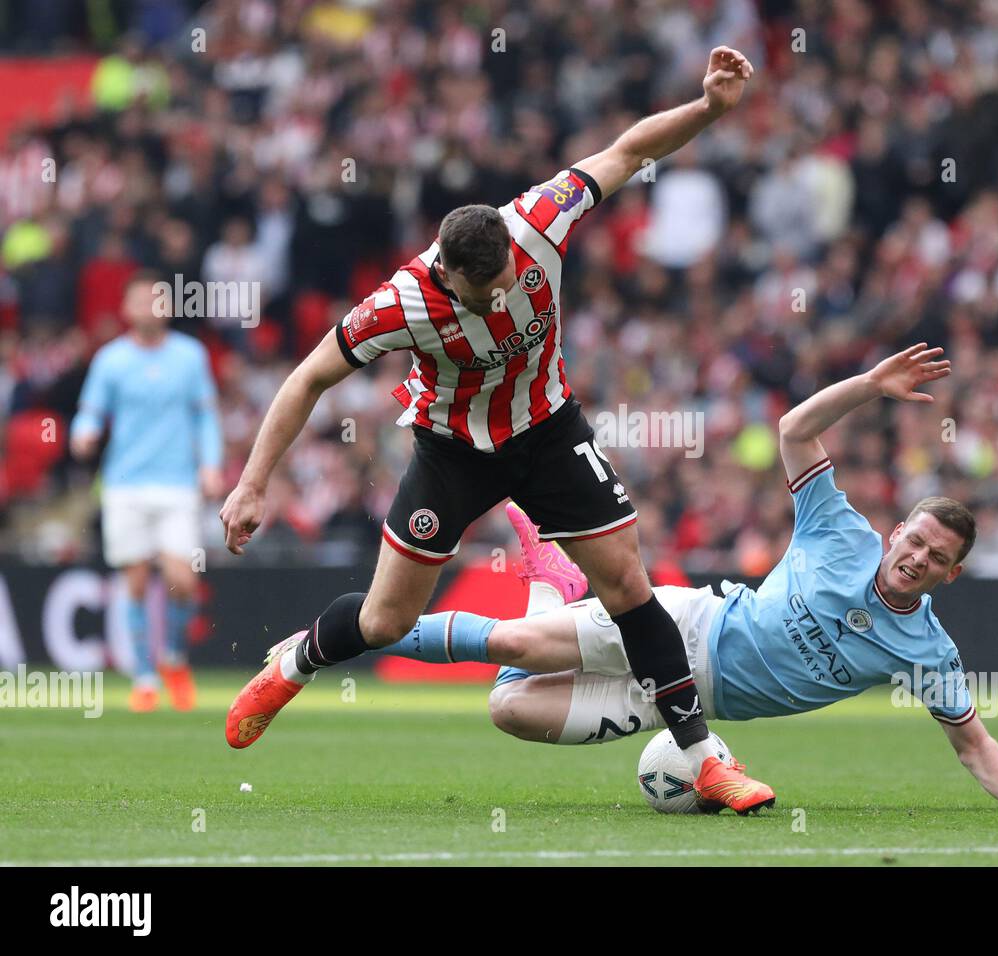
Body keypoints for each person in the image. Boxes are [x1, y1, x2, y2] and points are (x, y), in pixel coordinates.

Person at [219, 47, 776, 814]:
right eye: (484, 295)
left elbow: (630, 148)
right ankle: (297, 661)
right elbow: (307, 378)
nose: (500, 299)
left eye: (508, 283)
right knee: (386, 621)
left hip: (548, 431)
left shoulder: (541, 219)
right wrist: (253, 484)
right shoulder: (399, 305)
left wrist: (710, 107)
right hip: (453, 452)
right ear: (445, 272)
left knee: (628, 586)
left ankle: (702, 755)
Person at [381, 345, 998, 814]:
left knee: (510, 709)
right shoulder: (841, 532)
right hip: (684, 627)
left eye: (936, 557)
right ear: (897, 534)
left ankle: (551, 582)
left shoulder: (927, 651)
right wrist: (867, 387)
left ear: (950, 576)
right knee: (515, 647)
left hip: (677, 706)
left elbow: (972, 740)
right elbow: (795, 430)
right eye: (916, 540)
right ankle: (368, 631)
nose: (918, 557)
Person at [70, 270, 223, 712]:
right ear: (126, 309)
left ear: (168, 306)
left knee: (183, 581)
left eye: (156, 300)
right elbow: (91, 411)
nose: (148, 308)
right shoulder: (111, 360)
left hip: (177, 484)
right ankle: (143, 678)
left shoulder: (190, 356)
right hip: (124, 484)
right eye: (139, 301)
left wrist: (210, 465)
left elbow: (205, 416)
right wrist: (83, 433)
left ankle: (173, 659)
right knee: (134, 581)